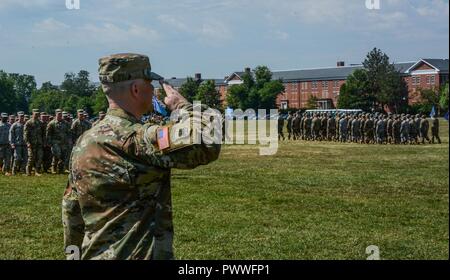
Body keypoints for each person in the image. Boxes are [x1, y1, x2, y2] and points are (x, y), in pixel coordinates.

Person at [62, 53, 221, 260]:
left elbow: (71, 211)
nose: (154, 90)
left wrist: (72, 256)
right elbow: (207, 139)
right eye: (150, 83)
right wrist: (181, 106)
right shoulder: (138, 138)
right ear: (136, 89)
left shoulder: (84, 141)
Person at [47, 109, 71, 174]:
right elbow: (48, 134)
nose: (60, 116)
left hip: (63, 142)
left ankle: (61, 169)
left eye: (61, 115)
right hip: (55, 142)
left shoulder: (66, 123)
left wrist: (68, 141)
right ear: (56, 115)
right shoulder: (51, 123)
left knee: (63, 156)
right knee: (56, 155)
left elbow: (69, 132)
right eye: (58, 115)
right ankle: (53, 168)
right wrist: (49, 143)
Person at [24, 109, 44, 176]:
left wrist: (43, 141)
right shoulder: (28, 122)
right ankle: (28, 171)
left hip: (39, 143)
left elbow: (43, 133)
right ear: (32, 114)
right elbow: (25, 134)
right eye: (35, 114)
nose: (36, 115)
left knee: (39, 157)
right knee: (31, 158)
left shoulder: (40, 123)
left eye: (38, 114)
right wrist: (28, 143)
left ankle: (37, 171)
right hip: (32, 143)